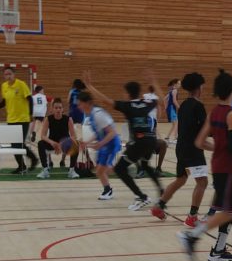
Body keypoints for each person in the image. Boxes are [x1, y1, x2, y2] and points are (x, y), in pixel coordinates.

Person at [177, 70, 232, 261]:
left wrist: (218, 147)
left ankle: (218, 250)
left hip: (217, 166)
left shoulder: (213, 113)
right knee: (229, 211)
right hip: (228, 168)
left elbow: (199, 142)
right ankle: (192, 236)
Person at [85, 70, 164, 210]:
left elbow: (105, 101)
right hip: (152, 140)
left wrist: (89, 86)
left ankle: (141, 197)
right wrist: (154, 82)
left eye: (124, 93)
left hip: (139, 142)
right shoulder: (146, 102)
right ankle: (162, 191)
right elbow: (162, 101)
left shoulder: (127, 106)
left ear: (127, 94)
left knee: (120, 169)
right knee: (145, 165)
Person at [151, 72, 209, 226]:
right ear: (199, 87)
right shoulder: (198, 106)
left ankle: (158, 206)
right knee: (202, 182)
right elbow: (205, 131)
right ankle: (192, 217)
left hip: (181, 148)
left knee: (181, 179)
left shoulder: (183, 105)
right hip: (193, 149)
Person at [0, 67, 38, 174]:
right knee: (14, 145)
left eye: (10, 74)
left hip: (23, 119)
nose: (8, 76)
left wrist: (31, 114)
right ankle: (21, 166)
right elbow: (5, 101)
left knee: (19, 144)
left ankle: (33, 159)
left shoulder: (21, 84)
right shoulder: (4, 86)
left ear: (14, 74)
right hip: (11, 119)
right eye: (6, 74)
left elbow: (30, 99)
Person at [77, 92, 120, 200]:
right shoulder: (90, 116)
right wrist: (87, 142)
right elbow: (98, 133)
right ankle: (108, 190)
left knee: (101, 170)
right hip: (105, 144)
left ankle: (121, 170)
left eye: (80, 103)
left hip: (111, 143)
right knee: (99, 170)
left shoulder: (98, 114)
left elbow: (112, 132)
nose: (79, 106)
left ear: (87, 103)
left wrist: (100, 144)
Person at [36, 98, 72, 179]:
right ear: (52, 109)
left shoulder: (68, 119)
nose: (58, 109)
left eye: (60, 108)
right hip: (52, 144)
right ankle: (45, 169)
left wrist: (62, 143)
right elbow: (43, 136)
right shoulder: (48, 119)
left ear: (62, 109)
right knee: (40, 143)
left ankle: (72, 170)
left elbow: (73, 136)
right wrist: (52, 143)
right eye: (56, 108)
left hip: (64, 145)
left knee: (76, 143)